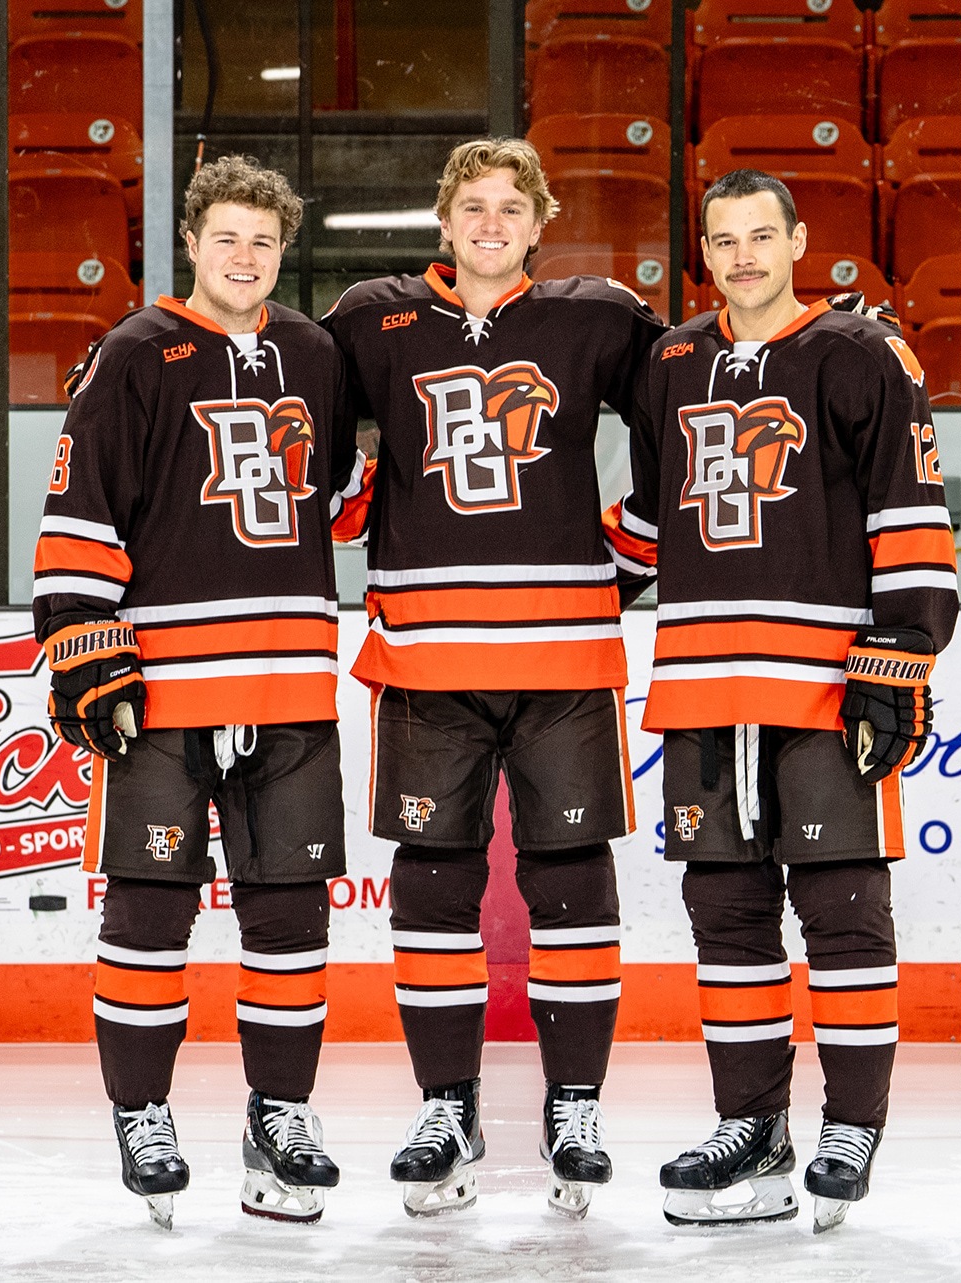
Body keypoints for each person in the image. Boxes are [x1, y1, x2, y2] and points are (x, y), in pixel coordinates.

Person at [605, 168, 958, 1232]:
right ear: (703, 253)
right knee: (727, 913)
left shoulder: (861, 352)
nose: (743, 256)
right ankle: (751, 1124)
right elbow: (652, 518)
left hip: (822, 685)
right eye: (723, 240)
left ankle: (851, 1126)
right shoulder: (672, 361)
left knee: (844, 908)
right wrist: (553, 583)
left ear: (799, 241)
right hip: (703, 683)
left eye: (761, 236)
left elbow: (910, 511)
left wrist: (900, 655)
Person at [320, 137, 666, 1219]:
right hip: (429, 654)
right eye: (472, 204)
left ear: (539, 221)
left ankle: (575, 1105)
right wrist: (356, 508)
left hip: (564, 652)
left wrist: (632, 549)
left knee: (572, 879)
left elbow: (688, 408)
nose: (490, 222)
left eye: (512, 205)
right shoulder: (371, 319)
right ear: (444, 217)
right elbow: (306, 424)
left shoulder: (597, 317)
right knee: (433, 881)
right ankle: (447, 1105)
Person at [32, 155, 364, 1229]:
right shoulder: (134, 353)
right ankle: (143, 1111)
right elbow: (80, 508)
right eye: (227, 237)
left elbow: (344, 498)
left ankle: (281, 1111)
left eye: (264, 240)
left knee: (289, 910)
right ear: (190, 242)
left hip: (291, 683)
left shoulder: (314, 352)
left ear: (285, 248)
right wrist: (85, 649)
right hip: (166, 691)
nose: (245, 256)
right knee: (147, 906)